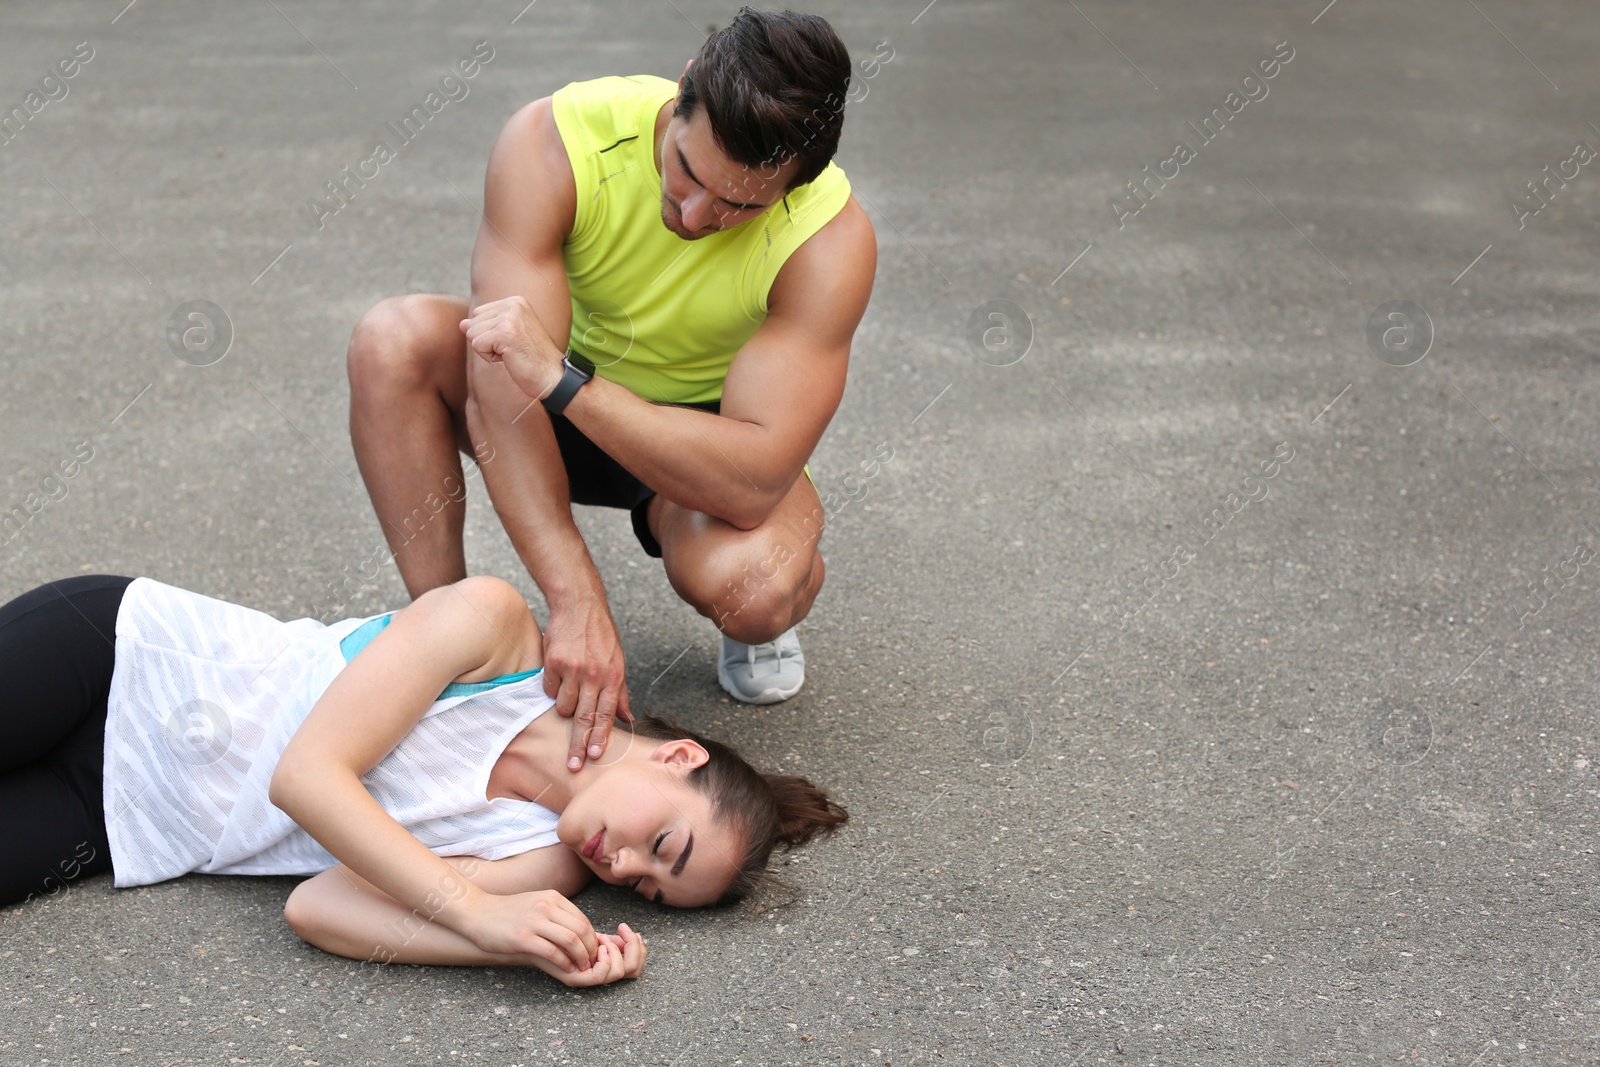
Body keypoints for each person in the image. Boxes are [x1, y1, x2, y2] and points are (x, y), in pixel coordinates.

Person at [346, 7, 878, 773]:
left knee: (755, 589)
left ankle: (751, 608)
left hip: (695, 441)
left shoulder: (830, 239)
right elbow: (502, 384)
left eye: (738, 205)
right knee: (389, 340)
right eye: (689, 171)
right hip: (543, 388)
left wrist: (567, 385)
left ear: (796, 186)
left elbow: (757, 479)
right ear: (686, 90)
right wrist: (577, 599)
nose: (694, 215)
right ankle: (445, 642)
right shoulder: (555, 142)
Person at [0, 574, 846, 987]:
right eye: (665, 845)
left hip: (121, 818)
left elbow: (318, 907)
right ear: (678, 756)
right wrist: (473, 909)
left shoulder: (544, 864)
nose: (626, 871)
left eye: (651, 891)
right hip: (118, 660)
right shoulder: (495, 632)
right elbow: (305, 775)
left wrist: (505, 944)